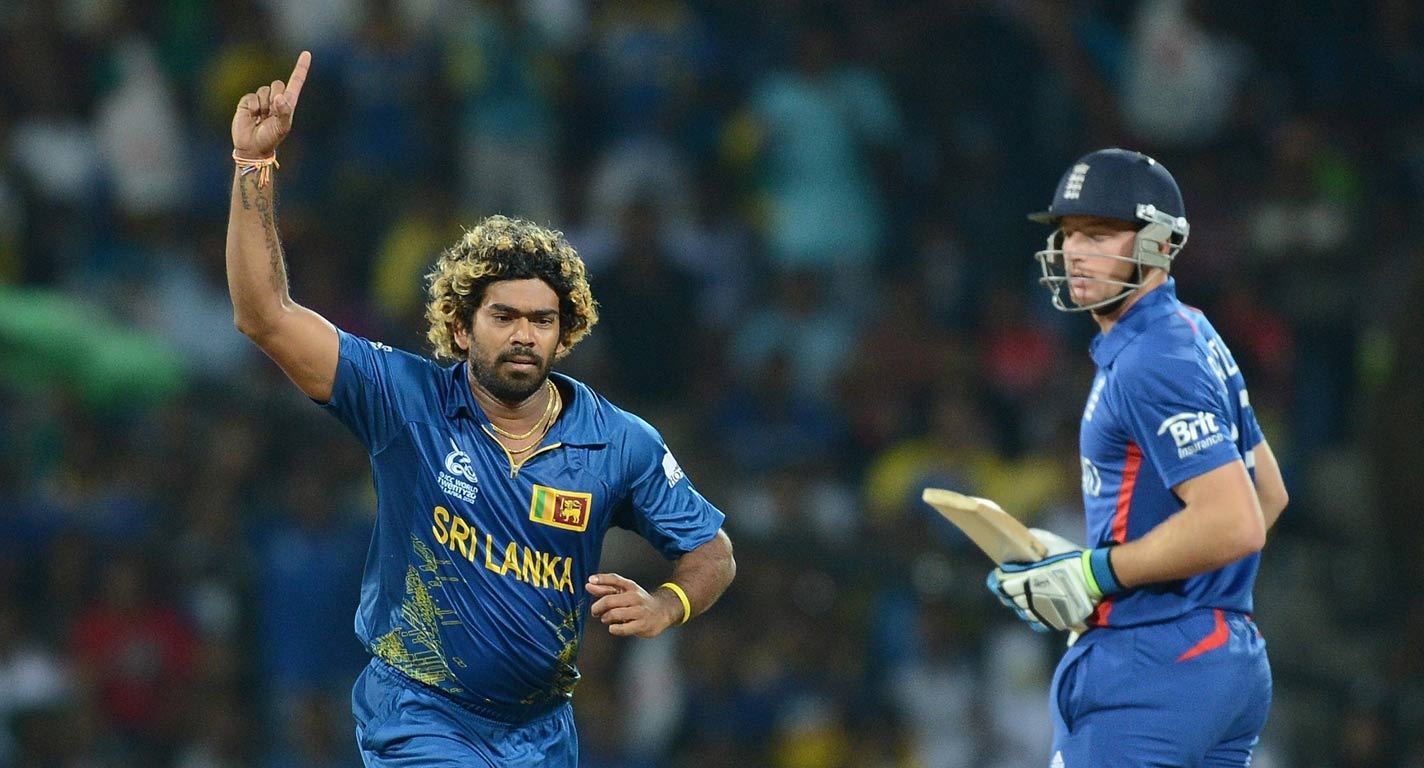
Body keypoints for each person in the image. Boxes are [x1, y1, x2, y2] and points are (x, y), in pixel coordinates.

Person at [225, 52, 736, 767]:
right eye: (504, 316)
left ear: (564, 334)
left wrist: (666, 605)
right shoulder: (404, 399)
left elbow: (712, 552)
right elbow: (265, 315)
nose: (524, 334)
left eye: (543, 320)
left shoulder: (621, 442)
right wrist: (254, 165)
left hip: (543, 732)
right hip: (419, 712)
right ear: (462, 329)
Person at [985, 148, 1289, 766]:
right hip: (1217, 656)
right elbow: (1268, 494)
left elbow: (1236, 522)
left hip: (1155, 666)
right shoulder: (1190, 332)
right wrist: (1164, 586)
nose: (1075, 251)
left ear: (1158, 244)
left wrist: (1097, 576)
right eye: (1069, 233)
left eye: (1099, 234)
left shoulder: (1152, 358)